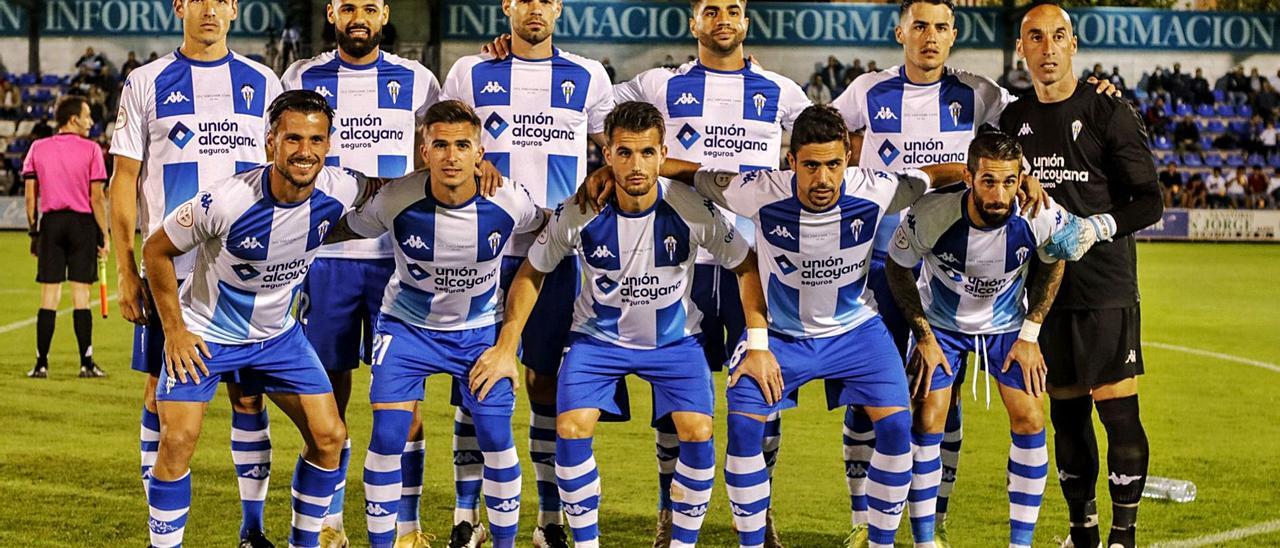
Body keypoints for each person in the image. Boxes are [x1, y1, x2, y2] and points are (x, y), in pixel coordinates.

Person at [481, 101, 758, 548]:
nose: (636, 165)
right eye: (624, 153)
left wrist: (758, 342)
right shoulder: (582, 208)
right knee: (570, 428)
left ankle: (681, 543)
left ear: (663, 153)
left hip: (674, 341)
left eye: (647, 153)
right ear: (606, 154)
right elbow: (532, 272)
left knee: (699, 432)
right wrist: (505, 345)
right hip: (597, 340)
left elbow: (745, 265)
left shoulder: (692, 207)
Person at [608, 1, 811, 541]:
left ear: (746, 23)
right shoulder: (657, 85)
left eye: (735, 10)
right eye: (711, 9)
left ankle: (759, 513)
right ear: (693, 22)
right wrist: (510, 54)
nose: (724, 18)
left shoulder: (782, 92)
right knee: (675, 399)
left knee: (763, 392)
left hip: (758, 263)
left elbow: (829, 139)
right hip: (678, 263)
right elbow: (587, 114)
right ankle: (669, 511)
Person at [140, 90, 363, 548]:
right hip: (206, 332)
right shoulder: (225, 201)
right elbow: (156, 250)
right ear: (270, 143)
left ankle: (302, 542)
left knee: (330, 436)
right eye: (293, 138)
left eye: (317, 140)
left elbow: (391, 188)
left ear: (328, 144)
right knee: (178, 440)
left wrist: (470, 175)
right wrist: (175, 331)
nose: (306, 151)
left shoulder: (340, 187)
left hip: (278, 337)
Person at [322, 100, 546, 548]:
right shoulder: (397, 198)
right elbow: (345, 229)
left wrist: (507, 344)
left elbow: (549, 231)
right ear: (424, 151)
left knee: (497, 436)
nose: (451, 156)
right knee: (387, 434)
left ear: (479, 153)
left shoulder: (509, 200)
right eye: (440, 145)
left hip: (479, 332)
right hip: (407, 329)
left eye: (462, 145)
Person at [108, 0, 283, 544]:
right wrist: (124, 268)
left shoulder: (264, 81)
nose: (209, 9)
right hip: (171, 271)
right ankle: (156, 521)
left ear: (235, 9)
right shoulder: (146, 81)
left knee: (248, 395)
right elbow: (123, 182)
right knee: (159, 393)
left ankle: (252, 529)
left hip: (250, 272)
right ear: (180, 5)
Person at [442, 2, 614, 545]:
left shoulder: (588, 75)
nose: (535, 7)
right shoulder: (471, 70)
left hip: (556, 252)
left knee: (544, 383)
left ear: (558, 7)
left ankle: (547, 519)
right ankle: (465, 518)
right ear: (506, 7)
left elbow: (614, 149)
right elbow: (444, 141)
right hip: (479, 252)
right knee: (474, 383)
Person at [888, 131, 1105, 548]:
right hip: (943, 328)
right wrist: (924, 337)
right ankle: (924, 540)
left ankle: (1020, 544)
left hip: (1007, 328)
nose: (999, 193)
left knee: (1030, 417)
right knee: (928, 417)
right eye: (988, 181)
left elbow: (1054, 261)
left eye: (1009, 181)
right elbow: (898, 268)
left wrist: (1031, 333)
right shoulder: (933, 212)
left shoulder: (1038, 212)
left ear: (1021, 178)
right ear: (969, 177)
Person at [1000, 5, 1164, 547]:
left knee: (1116, 410)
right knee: (1066, 417)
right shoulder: (1011, 119)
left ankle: (1124, 537)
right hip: (1044, 292)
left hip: (1104, 286)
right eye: (1036, 38)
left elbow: (1150, 201)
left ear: (1075, 44)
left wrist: (1098, 225)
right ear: (1021, 48)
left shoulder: (1108, 110)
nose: (1048, 48)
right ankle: (1083, 534)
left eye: (1059, 37)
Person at [281, 1, 443, 543]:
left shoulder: (418, 80)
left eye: (368, 7)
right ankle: (329, 521)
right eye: (348, 5)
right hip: (325, 258)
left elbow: (435, 159)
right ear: (331, 13)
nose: (358, 16)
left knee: (403, 396)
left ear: (383, 15)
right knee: (328, 394)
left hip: (400, 261)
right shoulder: (302, 76)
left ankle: (408, 525)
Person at [22, 95, 109, 379]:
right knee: (81, 296)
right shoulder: (92, 149)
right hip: (82, 224)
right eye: (87, 116)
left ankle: (41, 364)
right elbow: (97, 197)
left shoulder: (38, 147)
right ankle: (86, 363)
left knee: (49, 296)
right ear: (73, 119)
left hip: (51, 224)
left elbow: (30, 195)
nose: (91, 121)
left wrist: (34, 231)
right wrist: (104, 234)